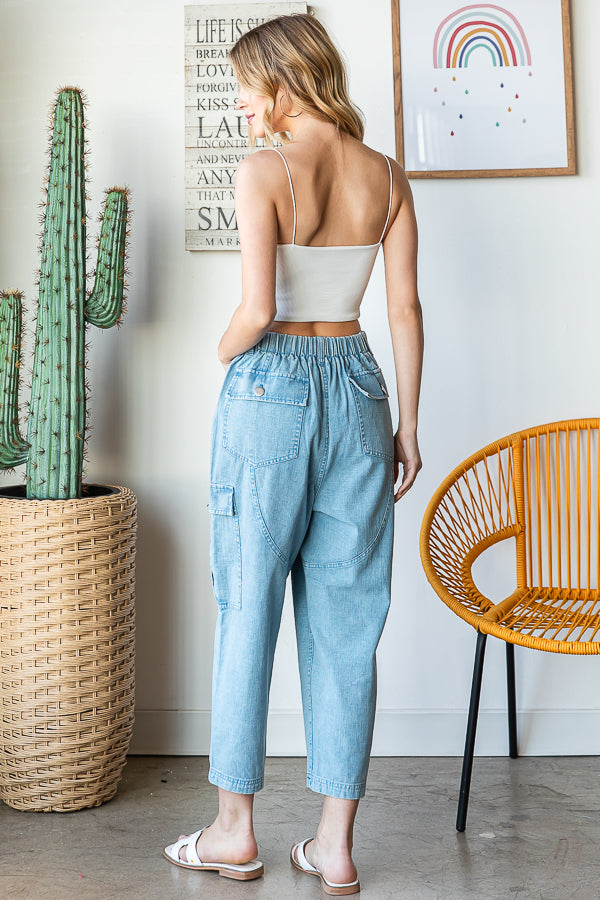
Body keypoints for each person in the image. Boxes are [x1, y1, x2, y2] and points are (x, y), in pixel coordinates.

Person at [164, 11, 423, 895]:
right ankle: (334, 848)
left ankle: (234, 832)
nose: (241, 104)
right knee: (349, 619)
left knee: (247, 604)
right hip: (360, 388)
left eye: (247, 87)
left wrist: (223, 353)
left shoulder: (264, 169)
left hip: (271, 387)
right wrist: (409, 426)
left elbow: (258, 309)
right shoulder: (386, 175)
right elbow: (404, 310)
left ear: (283, 81)